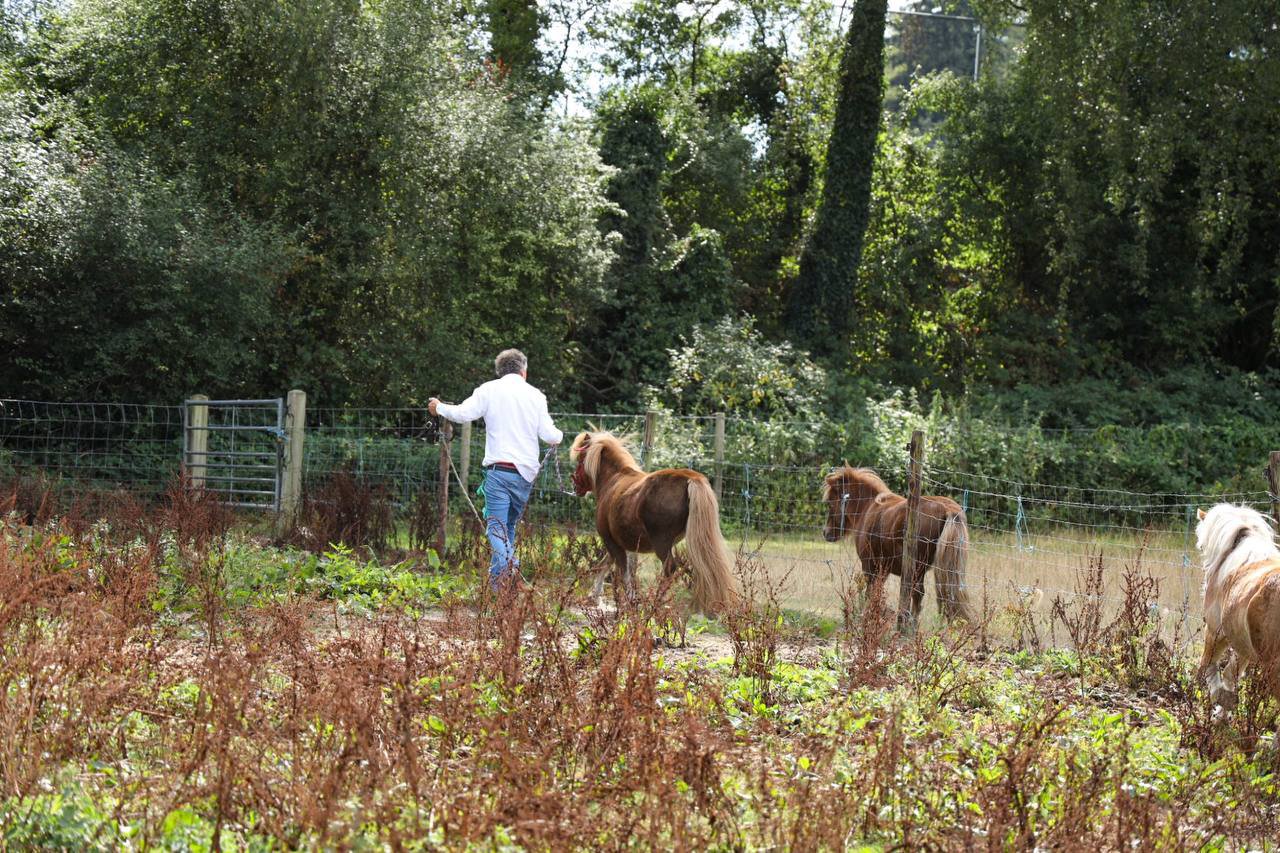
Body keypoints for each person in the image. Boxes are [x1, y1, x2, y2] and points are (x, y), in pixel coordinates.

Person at [428, 349, 562, 590]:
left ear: (500, 371)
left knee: (496, 530)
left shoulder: (488, 390)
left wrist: (439, 407)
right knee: (507, 528)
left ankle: (513, 569)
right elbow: (550, 436)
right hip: (525, 477)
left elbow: (462, 413)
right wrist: (559, 436)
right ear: (524, 371)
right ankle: (498, 589)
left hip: (498, 473)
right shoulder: (536, 396)